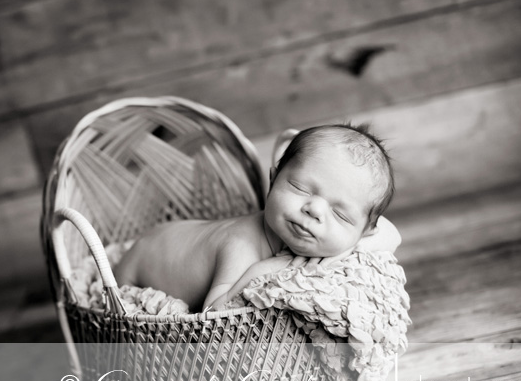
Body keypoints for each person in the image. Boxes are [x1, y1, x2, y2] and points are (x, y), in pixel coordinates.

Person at [114, 123, 401, 313]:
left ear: (364, 232)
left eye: (340, 214)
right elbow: (215, 312)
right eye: (300, 189)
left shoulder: (358, 233)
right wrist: (271, 268)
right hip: (139, 262)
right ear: (273, 179)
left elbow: (393, 236)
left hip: (172, 235)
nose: (314, 209)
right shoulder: (243, 245)